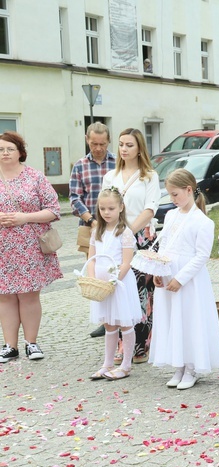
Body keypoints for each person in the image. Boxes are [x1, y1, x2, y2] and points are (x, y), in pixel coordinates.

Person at [148, 169, 219, 389]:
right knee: (173, 318)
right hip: (168, 272)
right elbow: (164, 245)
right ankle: (178, 364)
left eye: (175, 194)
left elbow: (202, 256)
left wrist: (181, 278)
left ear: (189, 190)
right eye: (170, 195)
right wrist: (158, 270)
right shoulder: (171, 215)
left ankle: (192, 366)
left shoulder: (202, 222)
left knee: (190, 318)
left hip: (189, 280)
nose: (172, 200)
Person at [0, 131, 63, 363]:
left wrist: (24, 217)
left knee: (28, 296)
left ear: (20, 152)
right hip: (2, 249)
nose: (5, 153)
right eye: (1, 149)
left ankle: (31, 343)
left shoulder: (34, 177)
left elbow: (54, 209)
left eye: (9, 149)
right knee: (4, 296)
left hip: (29, 248)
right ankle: (9, 346)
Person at [103, 128, 160, 365]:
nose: (124, 149)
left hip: (141, 236)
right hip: (116, 237)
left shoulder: (149, 176)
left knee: (142, 292)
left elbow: (150, 208)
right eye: (121, 145)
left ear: (139, 149)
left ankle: (141, 344)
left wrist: (129, 231)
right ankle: (120, 344)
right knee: (118, 289)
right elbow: (104, 204)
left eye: (129, 145)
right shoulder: (110, 176)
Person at [86, 187, 143, 381]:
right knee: (109, 324)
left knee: (124, 322)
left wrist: (114, 279)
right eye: (102, 209)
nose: (106, 212)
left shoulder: (125, 232)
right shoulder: (97, 231)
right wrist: (93, 279)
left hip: (119, 283)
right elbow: (92, 258)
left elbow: (127, 261)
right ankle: (107, 363)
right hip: (102, 285)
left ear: (121, 207)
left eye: (111, 208)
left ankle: (126, 365)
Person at [69, 122, 116, 338]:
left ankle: (117, 316)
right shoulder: (80, 165)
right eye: (94, 143)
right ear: (87, 140)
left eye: (102, 144)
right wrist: (91, 220)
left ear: (108, 141)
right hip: (92, 226)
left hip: (116, 226)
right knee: (95, 273)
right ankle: (103, 319)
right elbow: (74, 197)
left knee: (116, 272)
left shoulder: (117, 162)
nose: (98, 148)